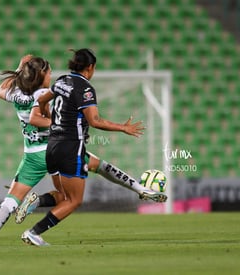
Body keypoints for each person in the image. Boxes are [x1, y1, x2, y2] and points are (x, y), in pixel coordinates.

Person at [20, 48, 158, 246]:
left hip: (52, 146)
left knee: (66, 194)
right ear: (90, 67)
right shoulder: (84, 88)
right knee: (74, 201)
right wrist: (123, 128)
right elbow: (94, 121)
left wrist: (51, 119)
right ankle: (34, 232)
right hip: (70, 147)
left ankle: (38, 201)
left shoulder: (61, 81)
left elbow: (41, 100)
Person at [0, 55, 52, 246]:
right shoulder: (44, 94)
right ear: (41, 75)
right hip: (52, 149)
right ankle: (137, 187)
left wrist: (19, 68)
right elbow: (44, 118)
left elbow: (0, 90)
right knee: (73, 193)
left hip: (32, 155)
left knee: (13, 197)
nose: (51, 75)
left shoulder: (17, 94)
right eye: (49, 72)